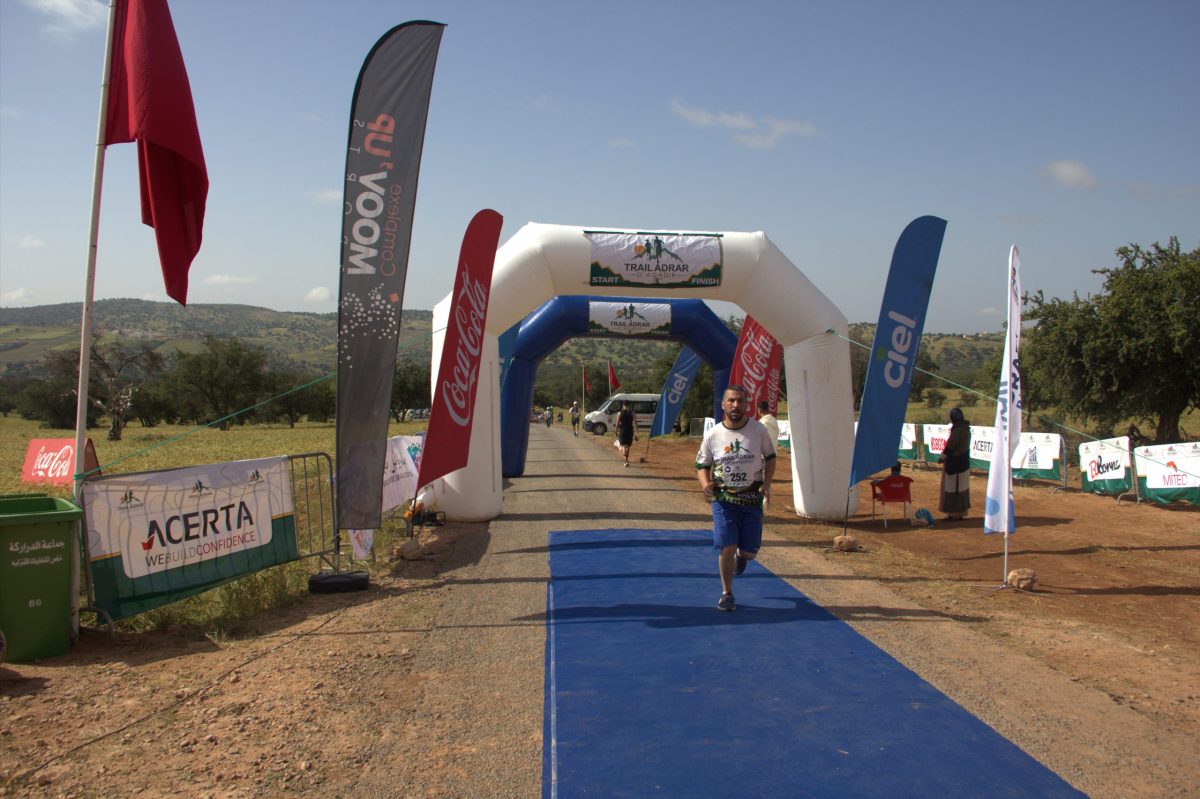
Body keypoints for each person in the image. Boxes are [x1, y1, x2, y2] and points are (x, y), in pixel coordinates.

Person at [695, 385, 777, 612]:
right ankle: (727, 593)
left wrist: (767, 485)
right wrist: (705, 485)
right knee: (727, 546)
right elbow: (702, 465)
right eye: (731, 401)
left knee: (749, 553)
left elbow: (770, 458)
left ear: (746, 405)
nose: (735, 405)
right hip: (723, 500)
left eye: (740, 401)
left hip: (751, 500)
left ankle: (742, 556)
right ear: (723, 404)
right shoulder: (713, 434)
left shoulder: (758, 430)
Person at [938, 407, 971, 520]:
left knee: (952, 489)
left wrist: (941, 458)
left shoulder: (958, 431)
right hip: (964, 463)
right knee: (962, 489)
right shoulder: (966, 429)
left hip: (955, 465)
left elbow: (950, 447)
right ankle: (961, 513)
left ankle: (953, 514)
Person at [615, 400, 636, 466]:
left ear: (623, 405)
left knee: (624, 446)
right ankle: (626, 461)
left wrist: (616, 431)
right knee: (628, 446)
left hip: (623, 431)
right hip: (630, 431)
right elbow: (635, 423)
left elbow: (617, 424)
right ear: (629, 405)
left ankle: (624, 454)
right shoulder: (632, 413)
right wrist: (637, 432)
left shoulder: (619, 413)